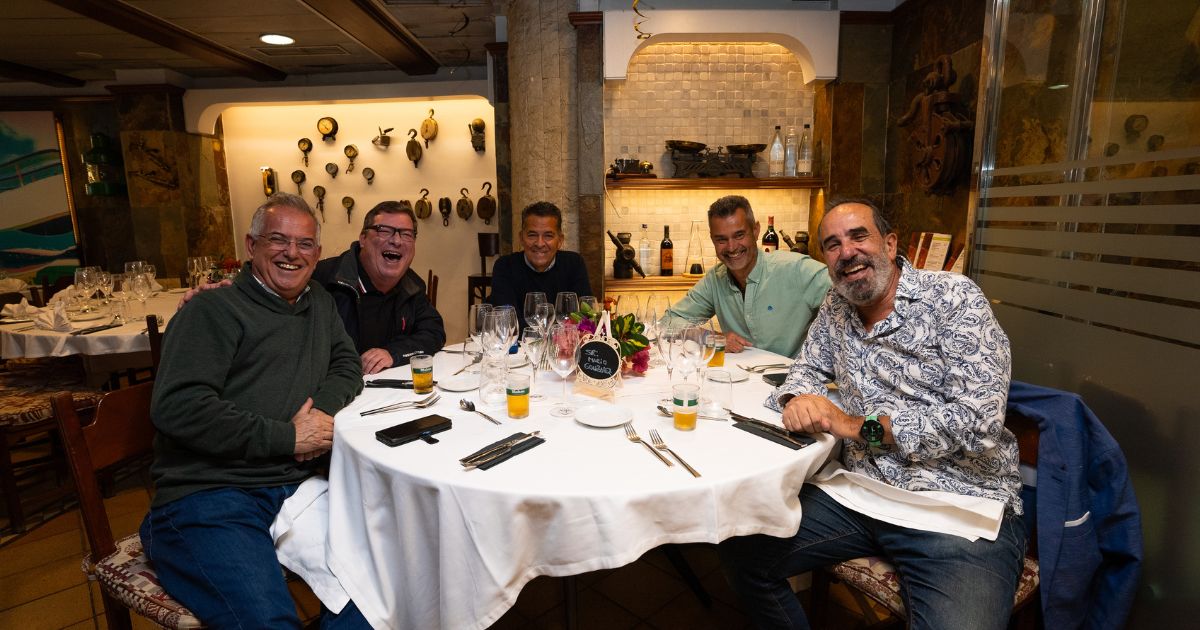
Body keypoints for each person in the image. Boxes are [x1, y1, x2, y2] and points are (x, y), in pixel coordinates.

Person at [719, 198, 1025, 630]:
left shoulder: (953, 298)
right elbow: (803, 371)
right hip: (861, 494)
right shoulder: (837, 306)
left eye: (858, 236)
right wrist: (798, 399)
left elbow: (979, 424)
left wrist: (848, 425)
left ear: (890, 242)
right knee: (740, 552)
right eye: (832, 244)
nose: (847, 252)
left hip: (958, 507)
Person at [141, 193, 370, 628]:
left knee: (379, 597)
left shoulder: (318, 301)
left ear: (317, 254)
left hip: (295, 486)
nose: (291, 253)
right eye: (277, 240)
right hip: (209, 495)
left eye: (304, 244)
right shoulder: (212, 309)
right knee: (268, 622)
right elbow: (178, 407)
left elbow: (345, 364)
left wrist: (319, 417)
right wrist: (288, 438)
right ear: (251, 245)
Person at [666, 195, 830, 357]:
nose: (731, 247)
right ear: (712, 239)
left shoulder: (796, 269)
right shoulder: (715, 280)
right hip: (739, 380)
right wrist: (710, 337)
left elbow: (849, 296)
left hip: (792, 380)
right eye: (721, 239)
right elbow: (668, 322)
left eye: (739, 235)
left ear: (756, 230)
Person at [312, 200, 446, 374]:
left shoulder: (412, 286)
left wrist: (393, 353)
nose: (396, 241)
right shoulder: (323, 280)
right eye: (384, 231)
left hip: (385, 392)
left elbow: (434, 332)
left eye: (406, 234)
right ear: (363, 239)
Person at [488, 201, 592, 329]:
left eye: (548, 236)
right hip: (521, 348)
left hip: (563, 347)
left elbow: (585, 319)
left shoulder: (574, 264)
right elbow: (507, 323)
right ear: (521, 238)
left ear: (560, 240)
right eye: (532, 235)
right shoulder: (505, 266)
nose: (540, 243)